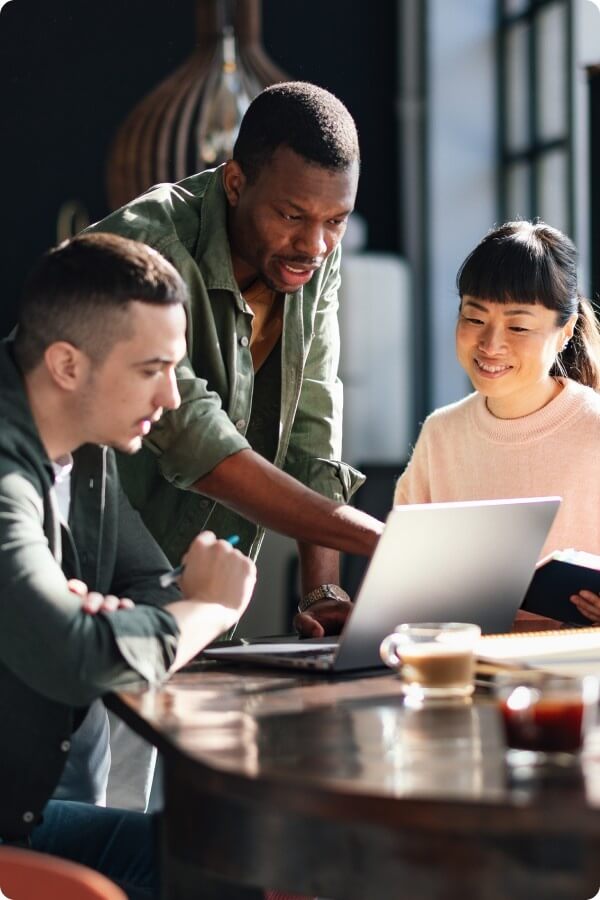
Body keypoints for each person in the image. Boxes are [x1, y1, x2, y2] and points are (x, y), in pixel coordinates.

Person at [0, 232, 256, 899]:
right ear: (66, 365)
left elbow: (144, 582)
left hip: (25, 812)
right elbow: (76, 656)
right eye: (152, 369)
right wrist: (211, 608)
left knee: (238, 863)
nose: (172, 398)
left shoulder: (84, 445)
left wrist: (124, 622)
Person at [88, 81, 384, 643]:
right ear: (235, 181)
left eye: (336, 221)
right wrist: (386, 544)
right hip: (84, 575)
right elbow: (196, 440)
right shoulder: (144, 247)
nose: (315, 245)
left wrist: (324, 593)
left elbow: (312, 424)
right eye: (292, 215)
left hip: (199, 610)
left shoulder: (313, 256)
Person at [394, 220, 600, 623]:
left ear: (565, 332)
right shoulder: (441, 434)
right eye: (474, 319)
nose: (490, 344)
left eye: (519, 326)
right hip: (465, 669)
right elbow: (401, 581)